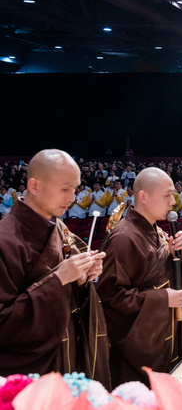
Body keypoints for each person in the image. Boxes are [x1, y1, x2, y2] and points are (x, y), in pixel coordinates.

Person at [0, 149, 110, 386]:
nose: (72, 197)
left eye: (75, 188)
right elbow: (4, 323)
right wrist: (59, 279)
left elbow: (73, 295)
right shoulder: (5, 239)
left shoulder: (60, 230)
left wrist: (83, 276)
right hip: (32, 373)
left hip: (69, 358)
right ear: (34, 185)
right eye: (65, 189)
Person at [97, 167, 182, 386]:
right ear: (142, 196)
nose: (173, 202)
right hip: (137, 358)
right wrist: (162, 299)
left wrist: (176, 257)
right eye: (167, 195)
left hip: (163, 342)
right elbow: (110, 299)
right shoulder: (125, 237)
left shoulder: (156, 231)